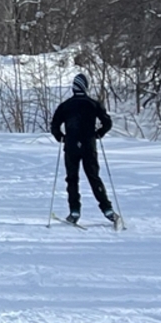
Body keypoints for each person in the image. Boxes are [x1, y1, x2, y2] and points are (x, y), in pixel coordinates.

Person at [50, 72, 116, 225]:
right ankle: (107, 210)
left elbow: (54, 126)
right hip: (88, 145)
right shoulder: (93, 104)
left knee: (72, 179)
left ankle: (74, 211)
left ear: (73, 87)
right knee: (94, 177)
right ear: (86, 87)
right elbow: (107, 123)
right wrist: (98, 134)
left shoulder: (65, 105)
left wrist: (61, 137)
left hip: (71, 146)